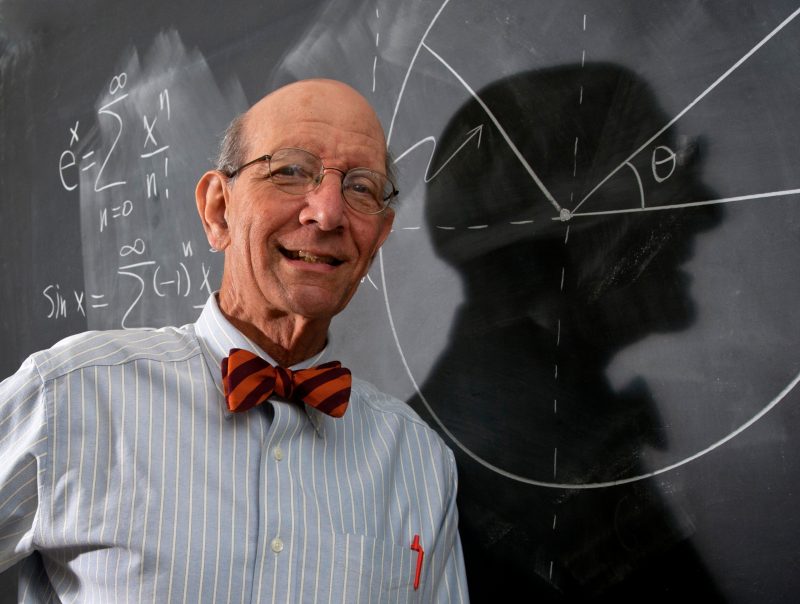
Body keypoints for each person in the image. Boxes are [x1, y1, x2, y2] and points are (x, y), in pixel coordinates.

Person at [0, 79, 469, 603]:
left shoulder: (419, 465)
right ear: (218, 210)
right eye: (291, 171)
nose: (328, 212)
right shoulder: (70, 397)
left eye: (360, 187)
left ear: (379, 237)